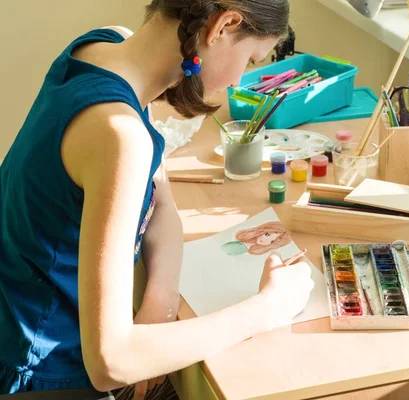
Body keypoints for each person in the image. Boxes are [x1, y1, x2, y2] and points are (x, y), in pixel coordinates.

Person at [0, 0, 315, 399]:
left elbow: (161, 203)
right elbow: (111, 363)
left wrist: (159, 301)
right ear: (223, 25)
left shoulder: (108, 47)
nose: (239, 80)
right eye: (251, 59)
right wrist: (266, 309)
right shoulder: (119, 134)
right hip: (41, 374)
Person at [221, 221, 292, 256]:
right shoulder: (250, 237)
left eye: (272, 242)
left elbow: (252, 251)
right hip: (227, 247)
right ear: (264, 229)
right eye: (267, 234)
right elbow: (239, 236)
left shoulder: (255, 249)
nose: (265, 240)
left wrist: (271, 246)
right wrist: (255, 233)